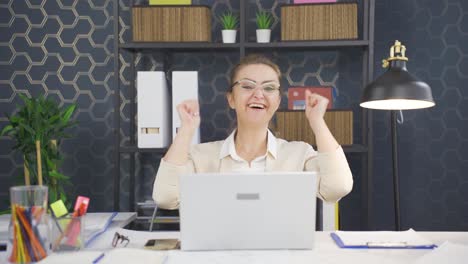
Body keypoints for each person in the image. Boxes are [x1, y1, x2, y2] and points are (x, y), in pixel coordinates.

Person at [153, 54, 353, 210]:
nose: (258, 94)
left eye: (269, 88)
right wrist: (186, 129)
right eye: (247, 86)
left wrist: (317, 121)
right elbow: (165, 198)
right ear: (231, 99)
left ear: (277, 102)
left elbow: (337, 187)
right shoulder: (201, 157)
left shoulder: (299, 154)